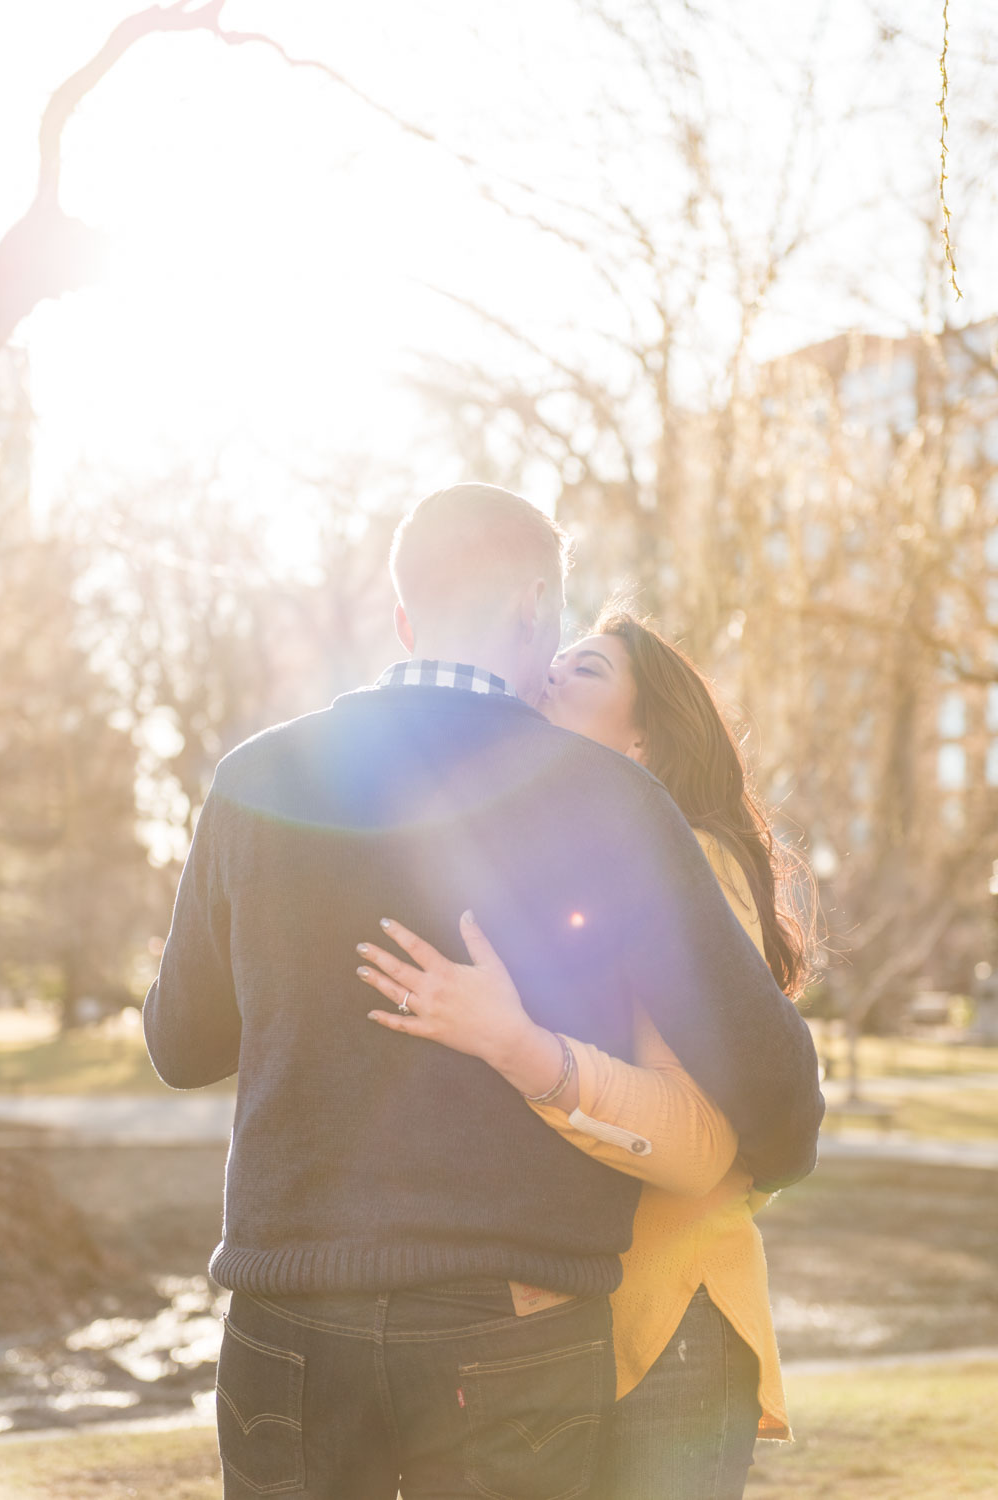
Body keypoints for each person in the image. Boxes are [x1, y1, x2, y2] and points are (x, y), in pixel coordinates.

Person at [143, 483, 823, 1500]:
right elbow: (774, 1090)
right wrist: (770, 1155)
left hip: (290, 1310)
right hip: (511, 1317)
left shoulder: (256, 779)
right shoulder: (607, 798)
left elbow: (183, 1044)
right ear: (532, 607)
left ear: (404, 615)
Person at [355, 605, 815, 1500]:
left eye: (590, 671)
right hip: (559, 1324)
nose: (554, 674)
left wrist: (517, 1045)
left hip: (669, 1317)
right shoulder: (564, 854)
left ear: (645, 746)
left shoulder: (692, 862)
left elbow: (699, 1147)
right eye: (554, 659)